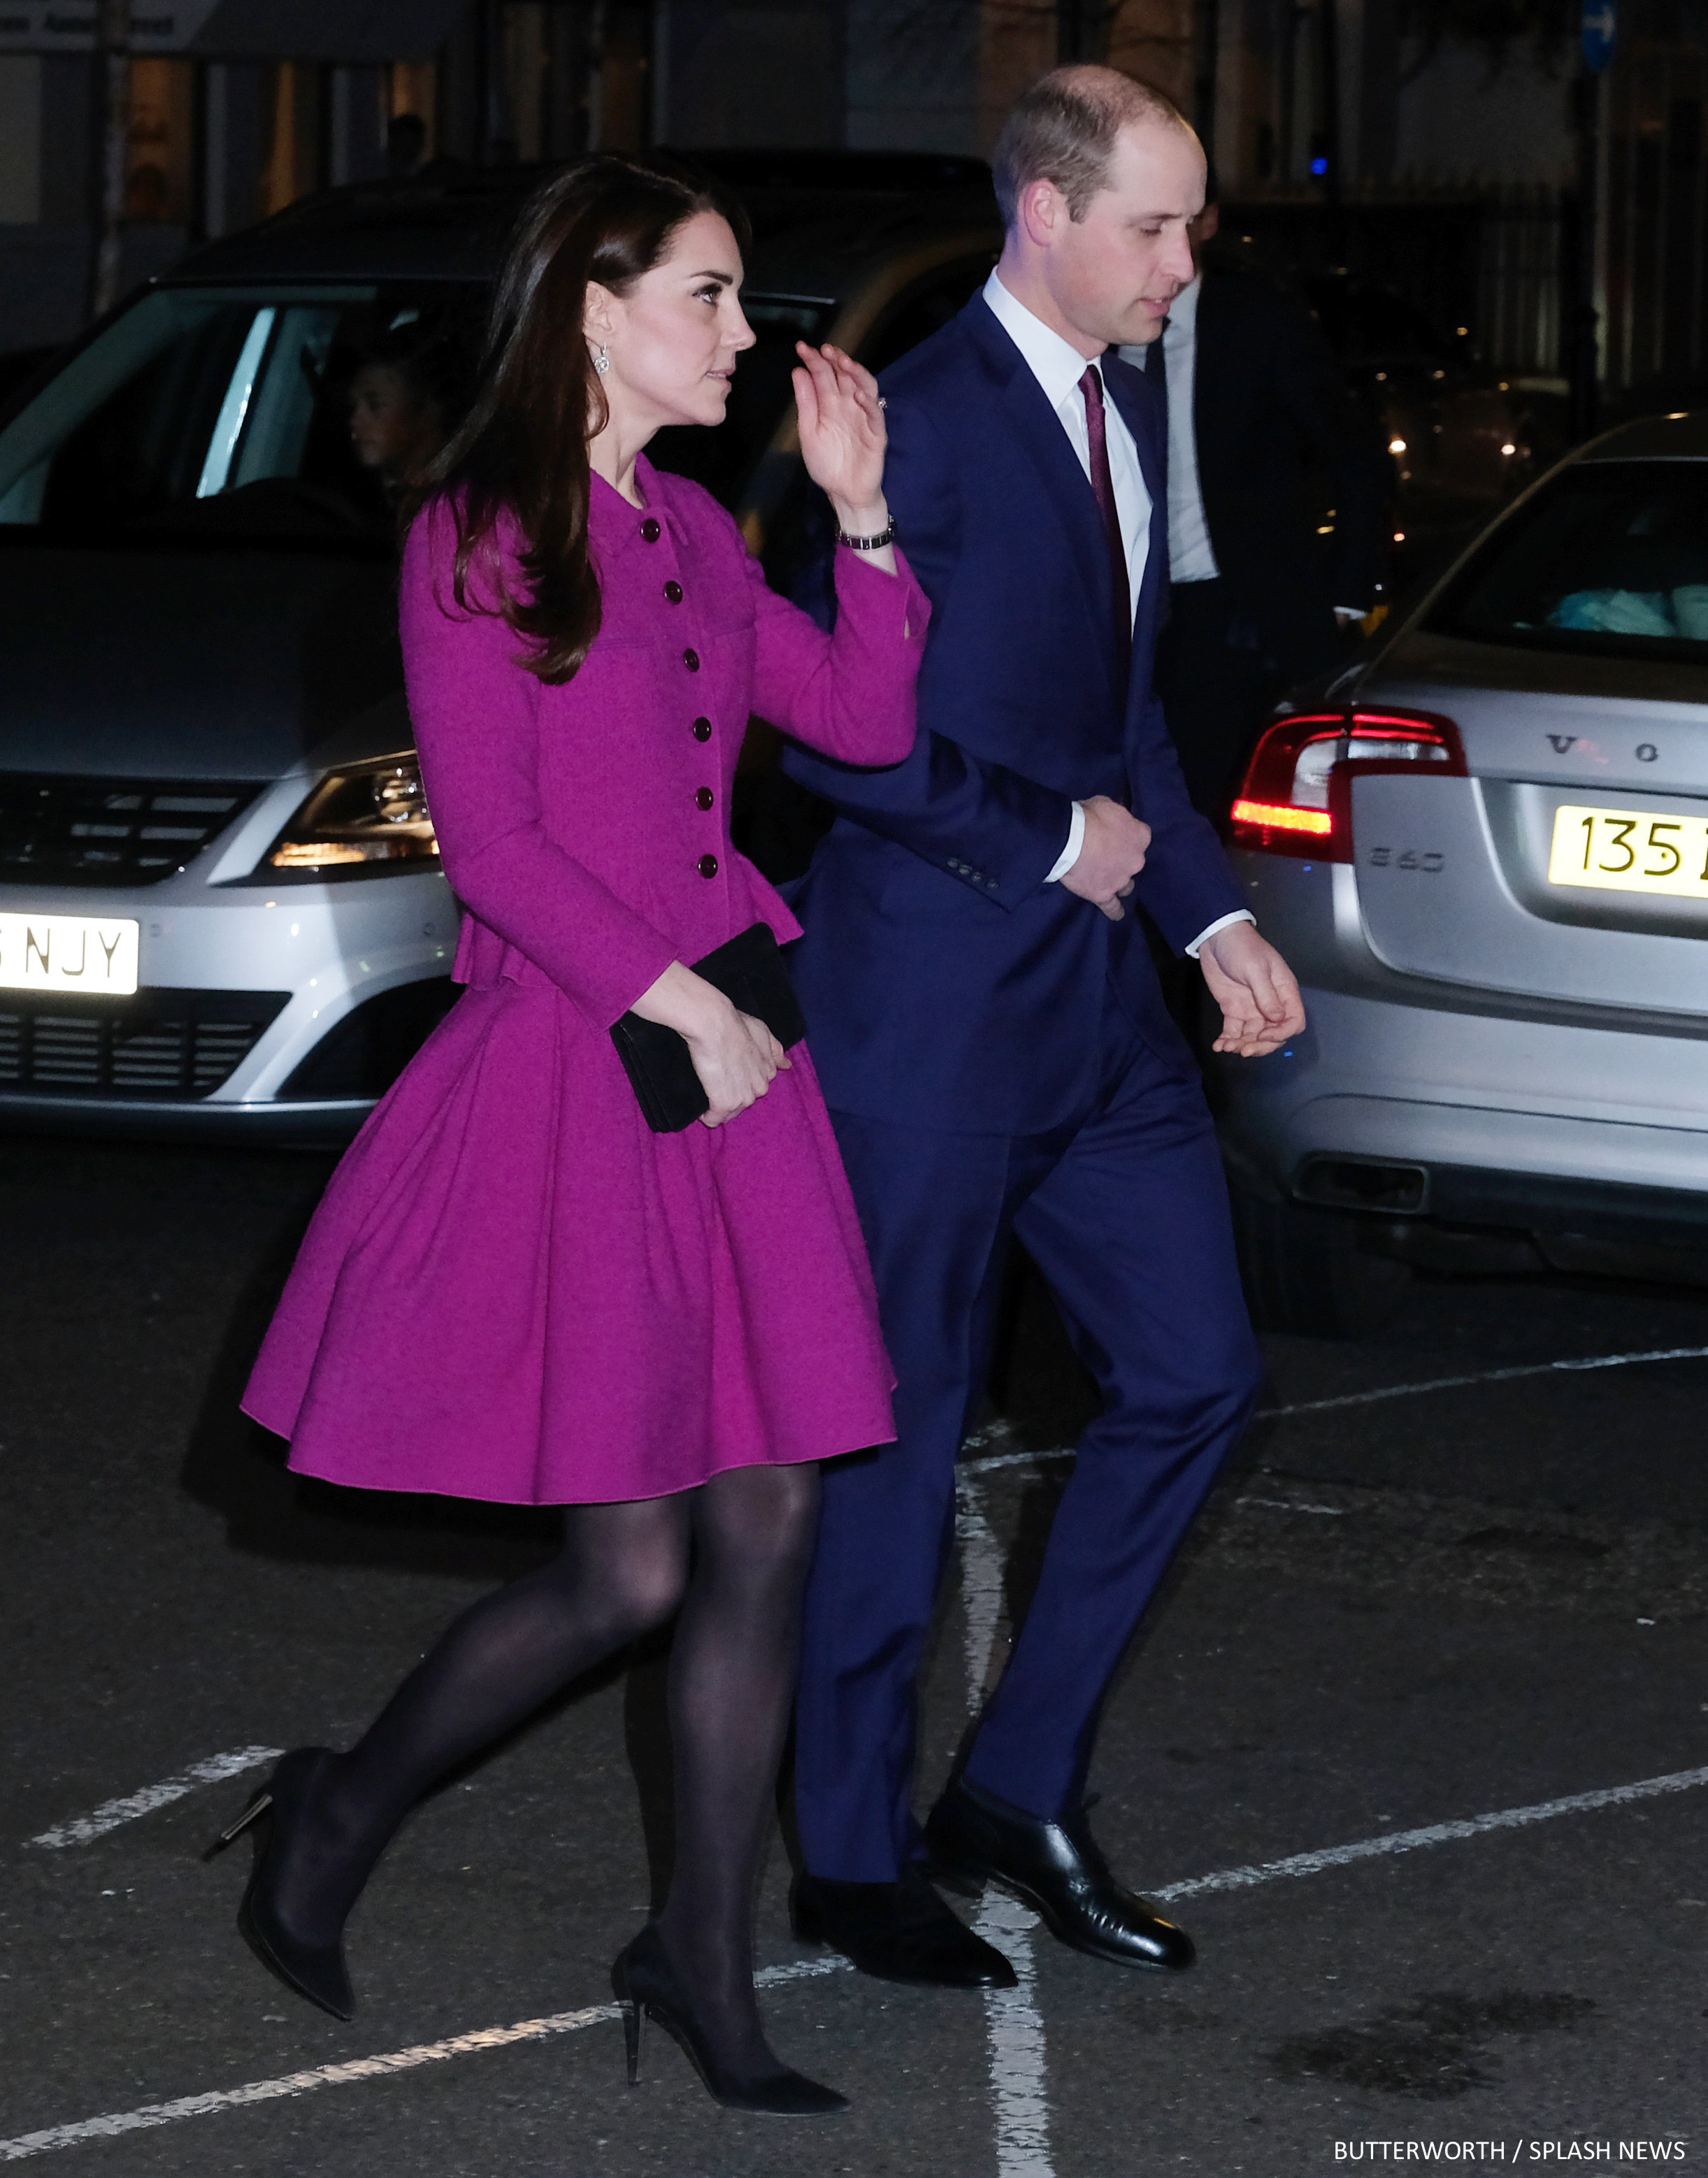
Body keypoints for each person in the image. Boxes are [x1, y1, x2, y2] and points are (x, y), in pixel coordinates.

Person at [218, 155, 928, 2117]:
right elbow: (499, 839)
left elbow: (860, 726)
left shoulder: (700, 528)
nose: (741, 330)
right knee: (627, 1570)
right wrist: (675, 999)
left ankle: (699, 1948)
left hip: (723, 1055)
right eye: (706, 292)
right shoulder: (481, 536)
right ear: (593, 310)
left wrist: (864, 523)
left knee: (775, 1507)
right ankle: (336, 1808)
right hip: (589, 1054)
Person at [780, 67, 1305, 1992]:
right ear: (1046, 218)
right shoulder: (908, 429)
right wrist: (1050, 839)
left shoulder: (1121, 398)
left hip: (1098, 1020)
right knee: (898, 1452)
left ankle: (1010, 1784)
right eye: (1157, 229)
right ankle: (845, 1851)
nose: (1188, 262)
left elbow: (1121, 718)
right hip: (922, 1024)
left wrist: (1215, 910)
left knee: (1197, 1373)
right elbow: (832, 732)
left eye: (1194, 227)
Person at [1131, 183, 1387, 822]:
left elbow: (1353, 453)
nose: (1163, 246)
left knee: (1217, 804)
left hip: (1236, 610)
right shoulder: (1101, 327)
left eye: (1179, 224)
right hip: (1130, 610)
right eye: (1146, 225)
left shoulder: (1256, 321)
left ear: (1209, 224)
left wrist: (1343, 596)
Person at [345, 331, 453, 500]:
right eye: (353, 407)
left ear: (426, 412)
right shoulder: (357, 490)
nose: (354, 421)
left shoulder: (456, 498)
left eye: (375, 405)